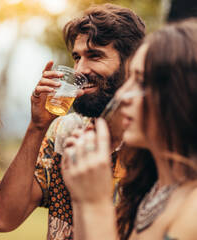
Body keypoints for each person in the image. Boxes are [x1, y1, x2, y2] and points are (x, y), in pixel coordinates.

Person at [0, 3, 145, 239]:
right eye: (76, 57)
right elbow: (4, 219)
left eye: (95, 56)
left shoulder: (153, 145)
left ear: (131, 63)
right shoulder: (66, 131)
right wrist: (38, 126)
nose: (80, 69)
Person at [61, 19, 197, 240]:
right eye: (129, 79)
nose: (123, 95)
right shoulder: (150, 188)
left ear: (183, 96)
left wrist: (96, 204)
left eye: (141, 82)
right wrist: (81, 198)